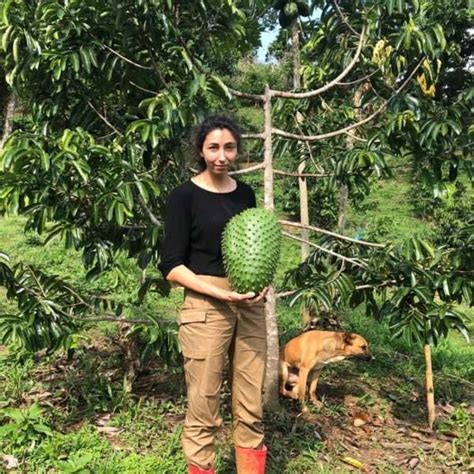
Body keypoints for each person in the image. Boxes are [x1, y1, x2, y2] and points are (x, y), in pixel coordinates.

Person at [158, 115, 268, 474]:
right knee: (203, 402)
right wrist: (221, 295)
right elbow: (172, 266)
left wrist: (260, 285)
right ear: (201, 150)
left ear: (237, 149)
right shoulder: (184, 196)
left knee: (251, 401)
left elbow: (255, 246)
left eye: (229, 147)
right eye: (214, 148)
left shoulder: (245, 194)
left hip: (249, 304)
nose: (222, 156)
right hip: (206, 304)